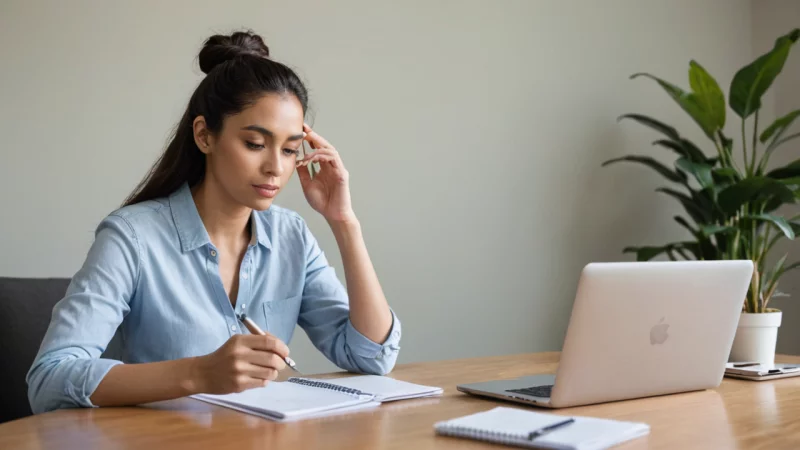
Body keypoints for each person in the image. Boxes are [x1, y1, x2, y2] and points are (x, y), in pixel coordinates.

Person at [26, 30, 401, 414]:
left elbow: (371, 356)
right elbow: (50, 379)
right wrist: (201, 372)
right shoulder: (132, 237)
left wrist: (344, 222)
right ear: (204, 135)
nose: (275, 167)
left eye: (290, 150)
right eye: (255, 144)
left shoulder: (291, 236)